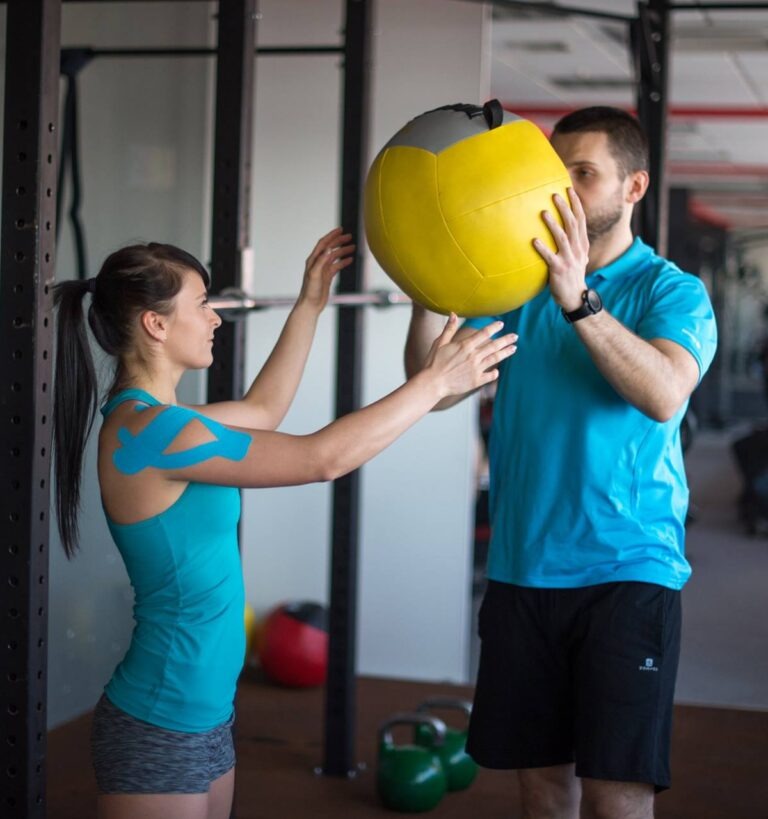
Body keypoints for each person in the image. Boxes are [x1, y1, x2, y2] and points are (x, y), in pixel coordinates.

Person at [52, 226, 517, 819]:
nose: (216, 317)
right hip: (159, 718)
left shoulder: (163, 424)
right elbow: (321, 459)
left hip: (204, 713)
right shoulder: (153, 434)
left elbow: (266, 409)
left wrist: (310, 304)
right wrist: (432, 385)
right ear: (156, 324)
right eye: (202, 303)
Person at [404, 107, 718, 819]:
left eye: (585, 174)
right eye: (558, 171)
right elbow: (435, 390)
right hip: (522, 568)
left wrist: (579, 302)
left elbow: (664, 392)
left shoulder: (670, 291)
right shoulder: (518, 290)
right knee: (542, 785)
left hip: (627, 569)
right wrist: (429, 294)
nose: (565, 190)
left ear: (633, 186)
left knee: (617, 792)